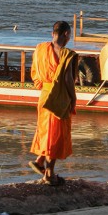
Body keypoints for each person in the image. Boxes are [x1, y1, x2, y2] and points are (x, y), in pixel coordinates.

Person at [28, 21, 78, 186]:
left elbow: (34, 72)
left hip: (44, 96)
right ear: (66, 34)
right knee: (55, 136)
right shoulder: (66, 54)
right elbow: (68, 79)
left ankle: (40, 160)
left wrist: (43, 85)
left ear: (52, 34)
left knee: (46, 132)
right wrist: (74, 98)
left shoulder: (40, 48)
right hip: (59, 97)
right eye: (69, 35)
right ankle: (49, 174)